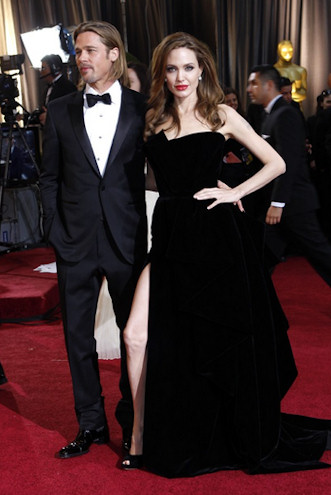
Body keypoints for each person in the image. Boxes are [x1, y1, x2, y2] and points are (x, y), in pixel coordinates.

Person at [122, 32, 331, 477]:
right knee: (135, 335)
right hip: (171, 238)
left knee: (213, 339)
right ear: (163, 72)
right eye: (172, 68)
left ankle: (205, 431)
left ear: (203, 71)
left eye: (189, 67)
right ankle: (139, 435)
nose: (181, 77)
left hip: (215, 241)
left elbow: (276, 163)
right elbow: (161, 180)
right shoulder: (153, 119)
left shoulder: (222, 115)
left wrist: (235, 189)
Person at [39, 21, 147, 459]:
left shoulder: (145, 108)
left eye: (89, 51)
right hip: (75, 244)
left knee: (132, 337)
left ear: (114, 54)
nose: (81, 59)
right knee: (77, 340)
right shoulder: (61, 109)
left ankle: (133, 424)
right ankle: (91, 426)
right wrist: (55, 231)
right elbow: (49, 178)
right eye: (78, 52)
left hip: (127, 239)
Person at [247, 64, 331, 285]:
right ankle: (251, 310)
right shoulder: (269, 116)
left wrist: (278, 202)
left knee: (322, 256)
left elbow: (289, 161)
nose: (249, 89)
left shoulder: (286, 114)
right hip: (280, 206)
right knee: (259, 258)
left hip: (293, 204)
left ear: (269, 85)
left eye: (254, 83)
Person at [38, 54, 77, 125]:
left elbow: (71, 113)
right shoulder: (47, 88)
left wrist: (50, 117)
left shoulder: (68, 87)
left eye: (43, 68)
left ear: (54, 69)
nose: (41, 72)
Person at [274, 40, 307, 106]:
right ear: (279, 52)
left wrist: (290, 93)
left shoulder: (300, 70)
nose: (288, 53)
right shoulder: (273, 70)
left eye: (290, 50)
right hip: (278, 108)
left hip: (296, 109)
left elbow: (303, 93)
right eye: (284, 51)